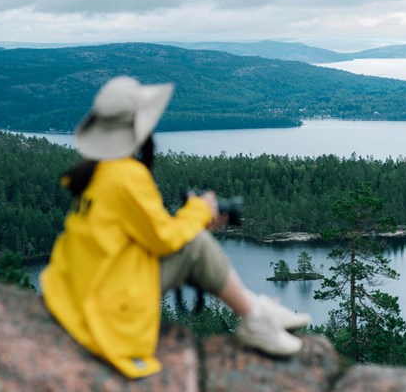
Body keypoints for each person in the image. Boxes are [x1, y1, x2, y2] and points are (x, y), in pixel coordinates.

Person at [40, 76, 311, 379]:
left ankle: (256, 310)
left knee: (193, 241)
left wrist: (193, 218)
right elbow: (164, 240)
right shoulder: (125, 175)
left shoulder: (92, 171)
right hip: (105, 304)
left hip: (77, 290)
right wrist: (199, 211)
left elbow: (136, 236)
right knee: (196, 246)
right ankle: (255, 320)